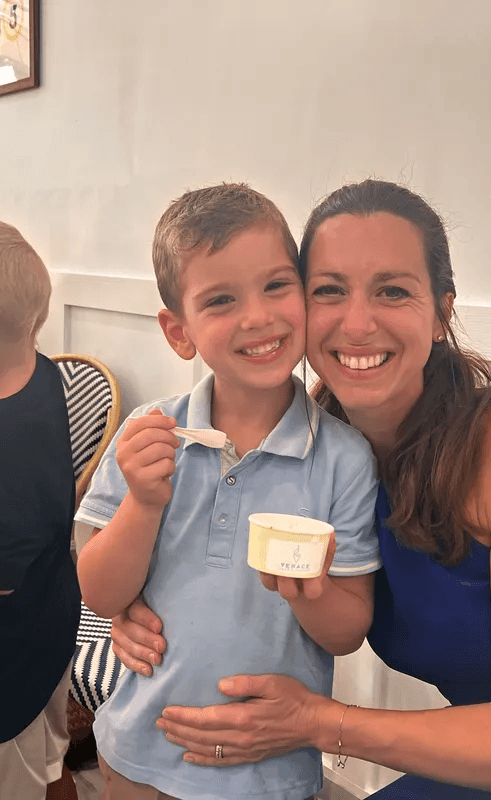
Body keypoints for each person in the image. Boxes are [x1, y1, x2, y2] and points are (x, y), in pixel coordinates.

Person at [113, 179, 491, 799]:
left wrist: (319, 723)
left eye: (393, 291)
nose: (358, 323)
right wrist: (139, 605)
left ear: (442, 311)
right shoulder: (323, 453)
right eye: (329, 292)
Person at [75, 183, 381, 800]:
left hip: (272, 773)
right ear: (178, 329)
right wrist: (143, 503)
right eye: (220, 299)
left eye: (276, 285)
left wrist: (309, 593)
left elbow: (348, 630)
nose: (258, 317)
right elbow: (100, 592)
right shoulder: (147, 438)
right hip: (138, 754)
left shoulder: (344, 459)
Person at [0, 222, 80, 798]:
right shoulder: (44, 371)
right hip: (51, 617)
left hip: (16, 650)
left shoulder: (15, 434)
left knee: (24, 772)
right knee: (48, 758)